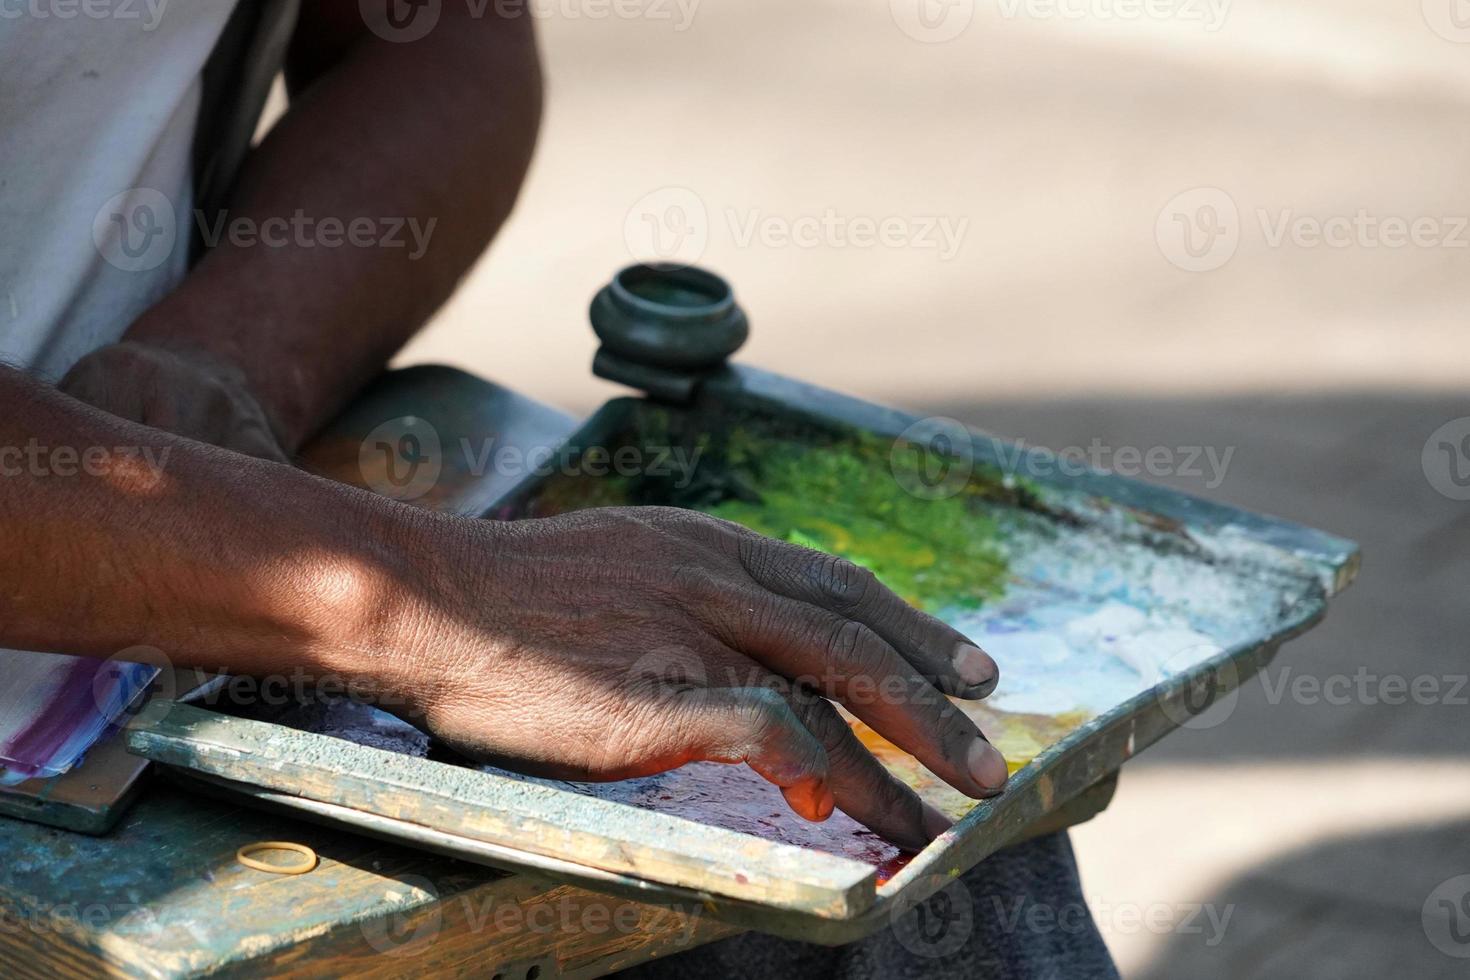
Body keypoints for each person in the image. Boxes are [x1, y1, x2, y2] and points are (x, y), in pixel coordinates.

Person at [0, 3, 1117, 975]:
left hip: (219, 535)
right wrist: (417, 600)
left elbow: (437, 41)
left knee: (878, 823)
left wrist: (232, 354)